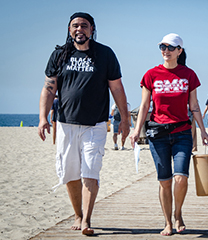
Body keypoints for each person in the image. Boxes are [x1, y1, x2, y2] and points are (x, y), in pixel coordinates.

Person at [37, 12, 130, 236]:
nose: (80, 29)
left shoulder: (105, 54)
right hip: (66, 123)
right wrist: (42, 118)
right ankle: (77, 214)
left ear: (92, 29)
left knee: (90, 170)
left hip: (95, 124)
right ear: (70, 30)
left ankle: (87, 219)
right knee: (69, 173)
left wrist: (125, 119)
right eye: (75, 26)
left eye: (84, 26)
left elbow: (117, 88)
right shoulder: (59, 54)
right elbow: (49, 88)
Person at [129, 33, 208, 236]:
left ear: (179, 51)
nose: (166, 51)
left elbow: (194, 106)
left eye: (170, 47)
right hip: (157, 134)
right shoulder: (150, 75)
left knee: (181, 178)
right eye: (163, 47)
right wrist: (136, 130)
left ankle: (178, 213)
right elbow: (145, 105)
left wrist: (202, 130)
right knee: (164, 181)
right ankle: (167, 222)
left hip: (182, 132)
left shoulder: (189, 74)